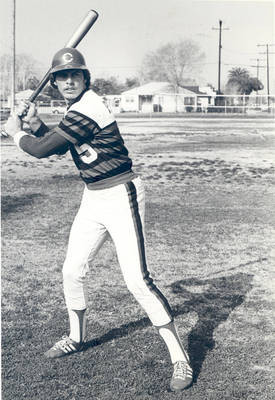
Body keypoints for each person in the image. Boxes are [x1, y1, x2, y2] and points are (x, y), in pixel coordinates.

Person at [5, 47, 193, 392]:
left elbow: (44, 149)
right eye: (62, 77)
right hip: (93, 196)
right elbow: (67, 145)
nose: (69, 81)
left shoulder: (89, 105)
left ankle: (180, 357)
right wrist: (36, 125)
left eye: (75, 75)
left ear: (85, 78)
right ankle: (76, 337)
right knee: (71, 270)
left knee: (138, 280)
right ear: (55, 83)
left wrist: (15, 132)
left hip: (121, 193)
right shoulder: (75, 109)